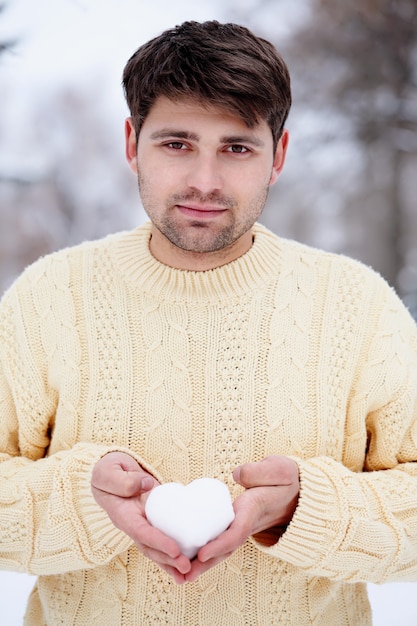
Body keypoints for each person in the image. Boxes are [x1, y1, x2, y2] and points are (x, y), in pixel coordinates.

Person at [0, 19, 416, 626]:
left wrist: (307, 508)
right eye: (176, 143)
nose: (204, 181)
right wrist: (81, 499)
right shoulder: (48, 297)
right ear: (130, 143)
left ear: (278, 154)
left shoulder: (358, 305)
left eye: (237, 147)